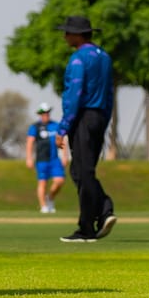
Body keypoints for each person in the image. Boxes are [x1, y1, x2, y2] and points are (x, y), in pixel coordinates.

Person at [55, 16, 117, 242]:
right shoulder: (105, 57)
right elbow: (110, 93)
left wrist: (63, 128)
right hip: (100, 115)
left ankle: (91, 224)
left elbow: (75, 94)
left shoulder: (79, 58)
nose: (65, 36)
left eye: (68, 32)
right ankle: (102, 212)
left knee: (83, 171)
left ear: (78, 35)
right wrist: (104, 119)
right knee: (81, 170)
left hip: (83, 116)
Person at [25, 102, 67, 213]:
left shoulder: (56, 125)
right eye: (43, 113)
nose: (46, 115)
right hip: (42, 160)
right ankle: (43, 206)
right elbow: (30, 143)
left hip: (55, 159)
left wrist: (64, 156)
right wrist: (29, 158)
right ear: (40, 114)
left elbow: (63, 140)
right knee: (42, 182)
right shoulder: (35, 127)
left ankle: (50, 197)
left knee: (60, 181)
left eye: (47, 112)